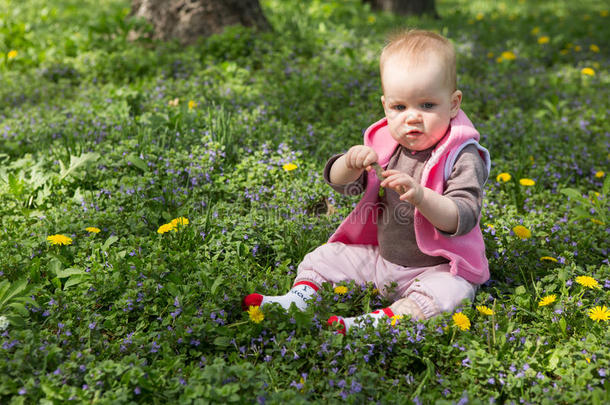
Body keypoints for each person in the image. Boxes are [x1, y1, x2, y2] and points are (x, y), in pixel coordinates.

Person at [243, 29, 491, 334]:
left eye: (427, 105)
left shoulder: (461, 155)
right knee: (326, 256)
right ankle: (299, 298)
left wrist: (422, 198)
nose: (411, 117)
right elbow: (344, 185)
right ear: (385, 105)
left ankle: (381, 321)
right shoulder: (386, 143)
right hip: (381, 261)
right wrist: (348, 164)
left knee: (454, 291)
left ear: (453, 104)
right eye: (400, 107)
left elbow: (463, 216)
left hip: (436, 267)